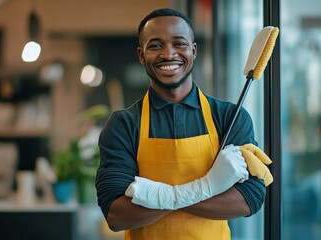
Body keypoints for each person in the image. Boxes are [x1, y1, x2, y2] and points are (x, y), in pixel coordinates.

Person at [96, 8, 272, 240]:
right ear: (141, 55)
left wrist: (156, 196)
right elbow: (117, 215)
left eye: (179, 43)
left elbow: (249, 199)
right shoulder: (124, 125)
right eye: (155, 46)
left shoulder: (230, 117)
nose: (168, 54)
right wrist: (208, 187)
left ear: (194, 50)